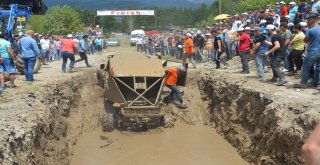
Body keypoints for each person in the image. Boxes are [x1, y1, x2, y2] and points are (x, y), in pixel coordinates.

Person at [296, 15, 320, 89]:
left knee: (306, 67)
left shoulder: (310, 30)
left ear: (311, 21)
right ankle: (318, 83)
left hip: (313, 51)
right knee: (319, 67)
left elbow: (305, 40)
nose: (306, 22)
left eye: (307, 20)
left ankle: (303, 83)